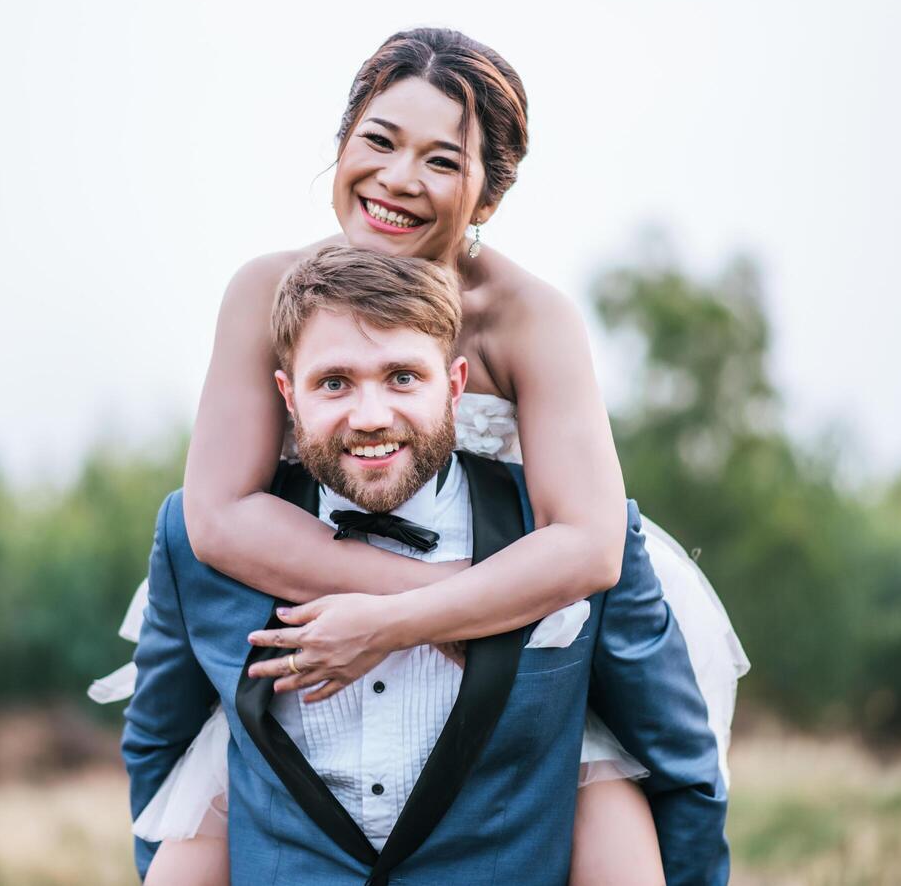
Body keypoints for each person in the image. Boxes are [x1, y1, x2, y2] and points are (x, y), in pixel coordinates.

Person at [92, 27, 748, 883]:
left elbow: (586, 544)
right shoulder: (266, 292)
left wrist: (411, 627)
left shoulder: (525, 316)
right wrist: (446, 608)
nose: (397, 179)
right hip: (322, 580)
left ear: (486, 197)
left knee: (623, 782)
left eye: (441, 160)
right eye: (377, 140)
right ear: (340, 146)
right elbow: (217, 517)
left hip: (528, 601)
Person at [121, 246, 729, 885]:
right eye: (334, 383)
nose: (371, 417)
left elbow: (679, 767)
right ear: (288, 396)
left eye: (403, 377)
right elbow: (161, 753)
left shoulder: (564, 542)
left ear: (456, 384)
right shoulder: (199, 542)